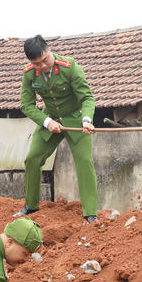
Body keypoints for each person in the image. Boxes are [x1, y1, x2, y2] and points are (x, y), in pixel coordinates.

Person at [15, 34, 99, 223]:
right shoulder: (29, 73)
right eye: (37, 64)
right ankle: (31, 205)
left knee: (84, 162)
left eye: (45, 60)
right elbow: (26, 105)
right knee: (33, 158)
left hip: (76, 120)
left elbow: (87, 98)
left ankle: (90, 213)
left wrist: (87, 120)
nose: (43, 66)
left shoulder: (70, 67)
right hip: (51, 119)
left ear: (49, 50)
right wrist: (46, 122)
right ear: (30, 62)